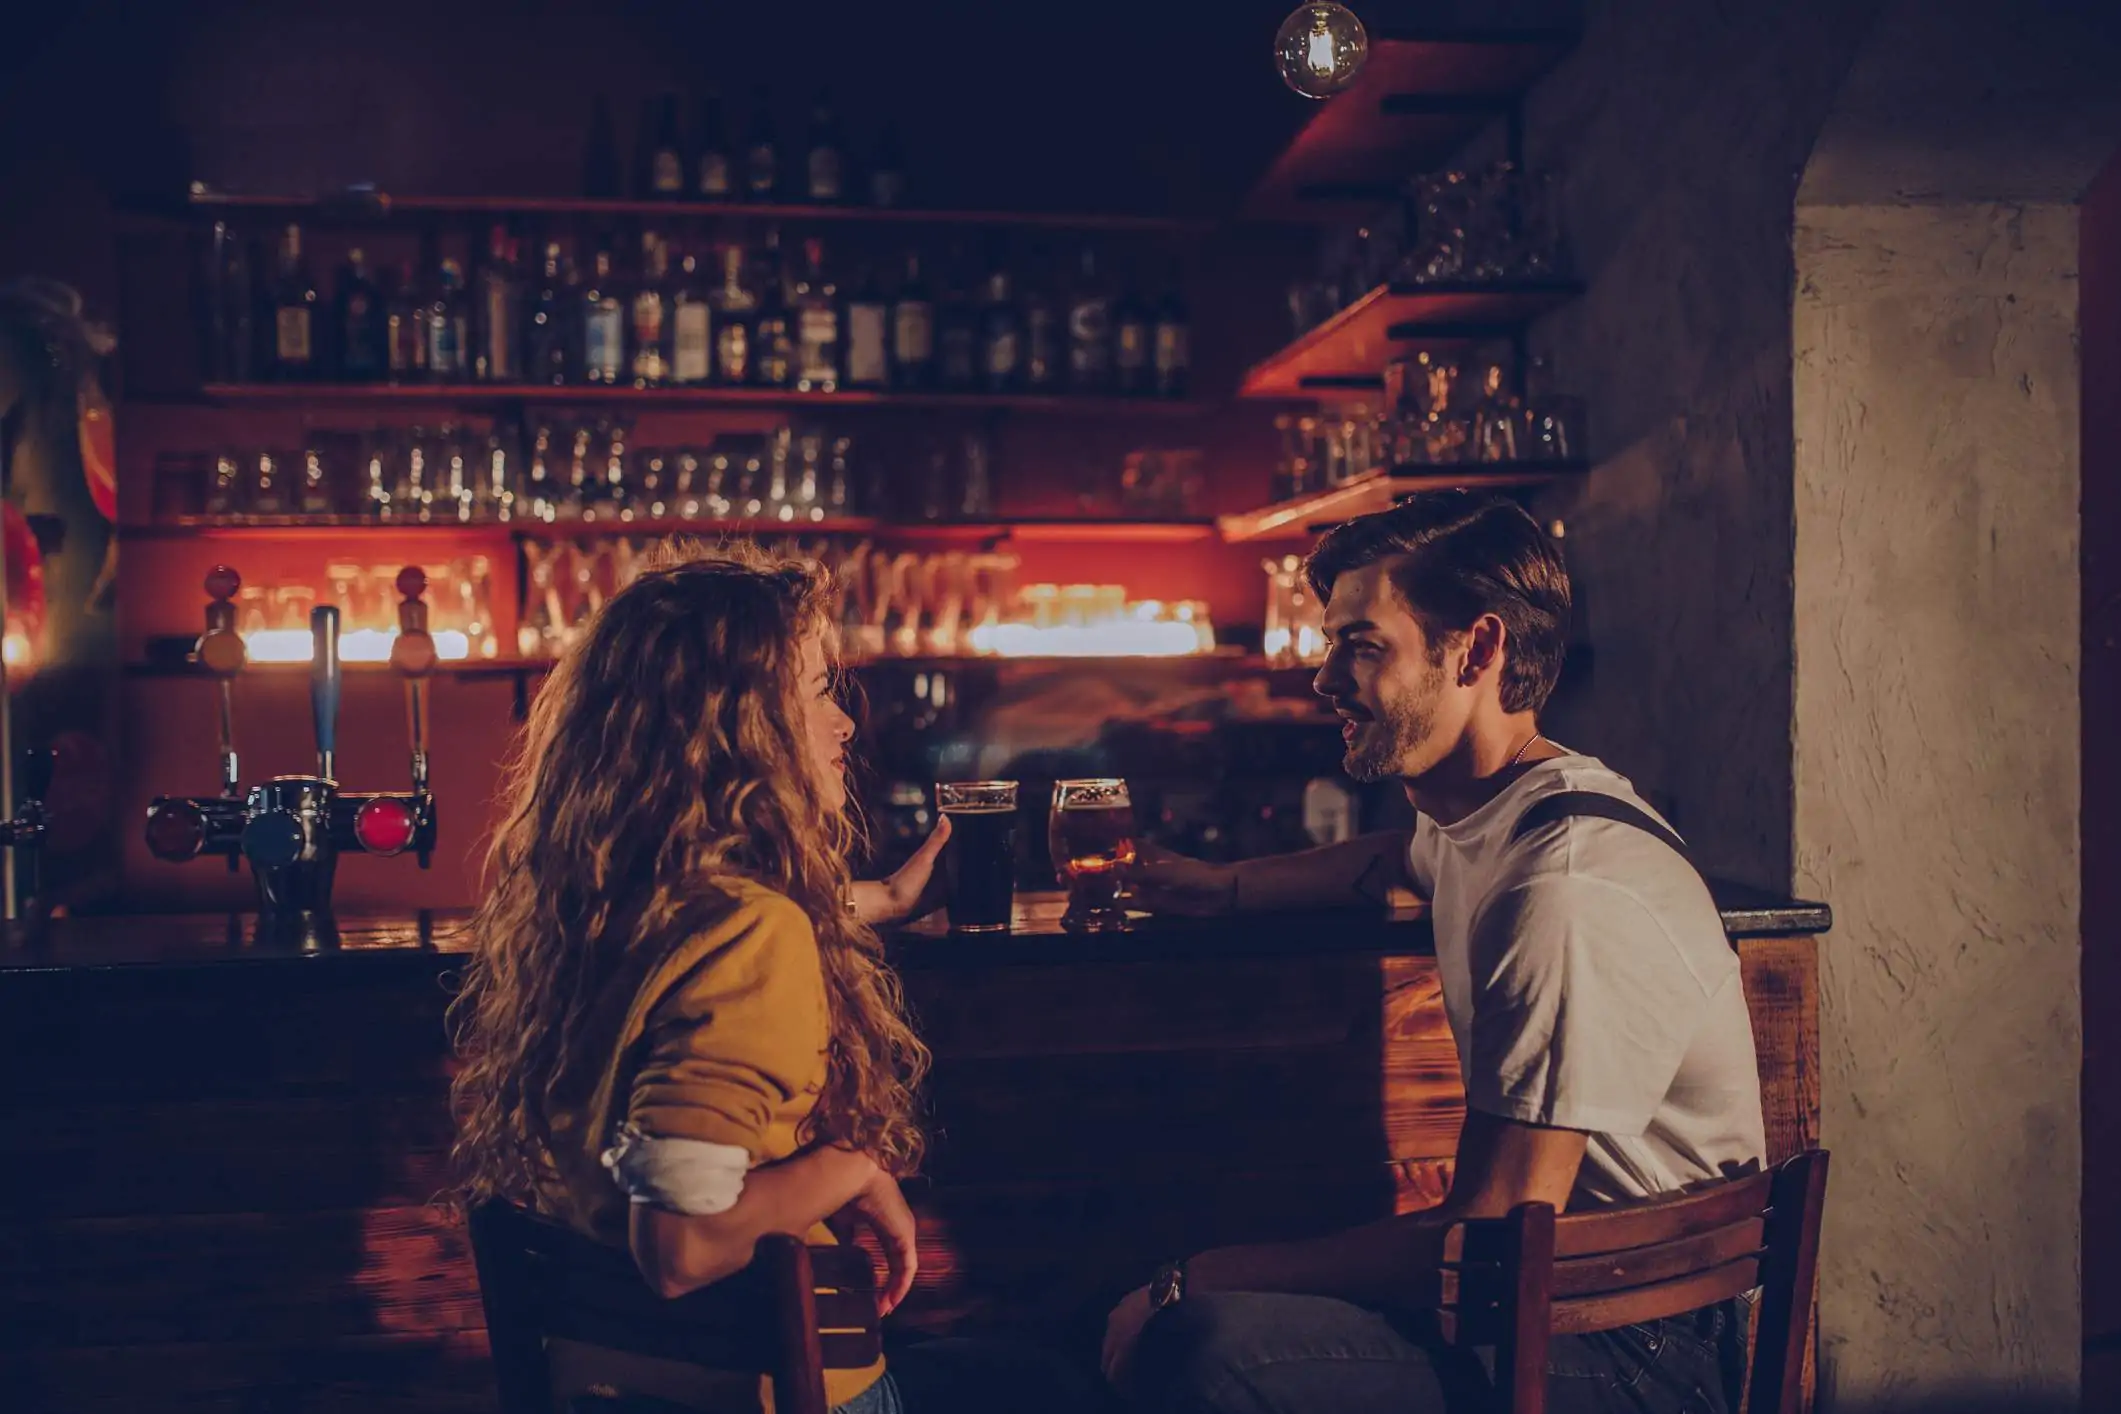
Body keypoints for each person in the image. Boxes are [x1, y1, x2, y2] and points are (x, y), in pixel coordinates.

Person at [1102, 492, 1765, 1414]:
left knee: (1210, 1349)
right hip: (1565, 1299)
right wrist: (1225, 887)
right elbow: (1390, 860)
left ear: (1478, 651)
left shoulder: (1564, 890)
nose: (1324, 678)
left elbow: (1493, 1238)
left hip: (1637, 1345)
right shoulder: (1488, 812)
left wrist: (1195, 1277)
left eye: (1361, 646)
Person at [450, 545, 1096, 1414]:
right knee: (1067, 1381)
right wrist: (853, 1163)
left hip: (614, 1387)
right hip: (769, 1393)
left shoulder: (607, 903)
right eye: (822, 689)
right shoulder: (754, 932)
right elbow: (681, 1245)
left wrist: (895, 896)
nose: (846, 725)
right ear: (736, 727)